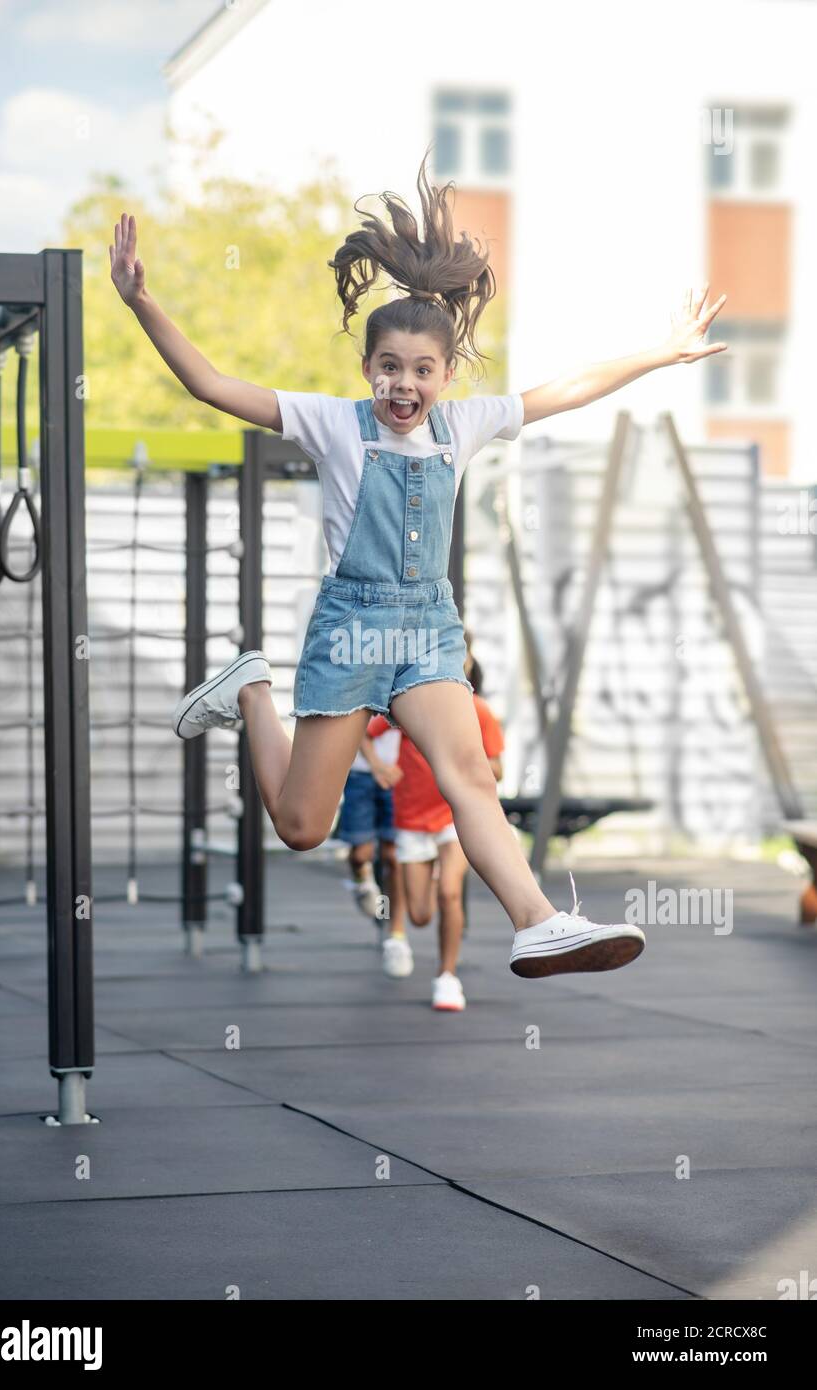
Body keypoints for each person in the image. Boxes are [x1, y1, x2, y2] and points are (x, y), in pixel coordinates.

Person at [110, 148, 727, 980]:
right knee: (301, 826)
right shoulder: (330, 423)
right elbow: (214, 386)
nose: (404, 385)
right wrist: (143, 301)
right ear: (368, 369)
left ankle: (539, 920)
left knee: (468, 768)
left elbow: (568, 388)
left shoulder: (463, 425)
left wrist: (660, 352)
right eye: (389, 369)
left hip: (430, 628)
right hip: (353, 631)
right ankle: (252, 687)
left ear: (446, 374)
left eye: (422, 371)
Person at [361, 644, 503, 1010]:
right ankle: (412, 909)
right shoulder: (412, 703)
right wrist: (378, 766)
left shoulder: (478, 710)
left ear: (469, 662)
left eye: (463, 655)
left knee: (451, 895)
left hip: (456, 816)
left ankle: (447, 977)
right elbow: (364, 730)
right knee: (421, 914)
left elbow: (497, 767)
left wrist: (470, 767)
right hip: (413, 816)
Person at [332, 720, 415, 979]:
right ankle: (361, 881)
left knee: (393, 856)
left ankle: (396, 935)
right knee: (361, 854)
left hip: (398, 774)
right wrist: (376, 765)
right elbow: (357, 729)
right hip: (360, 774)